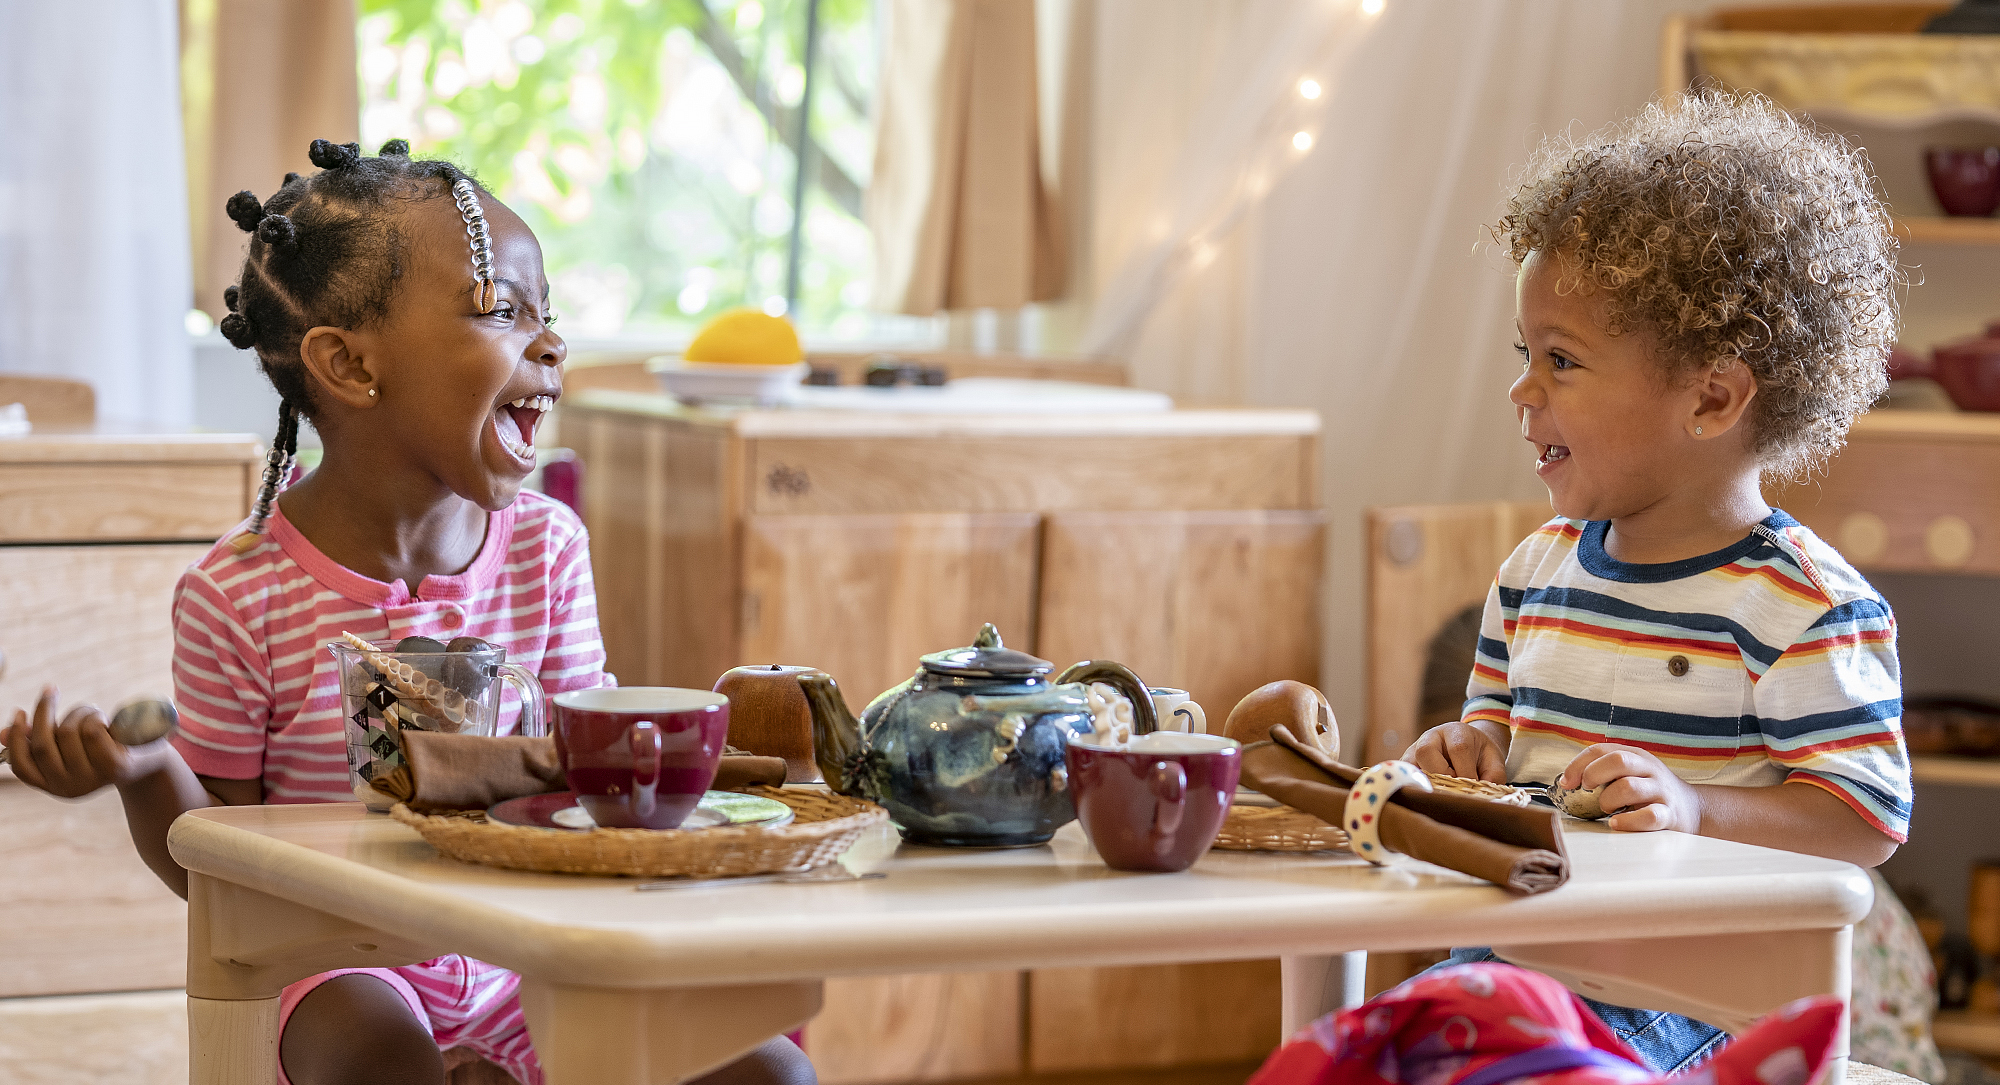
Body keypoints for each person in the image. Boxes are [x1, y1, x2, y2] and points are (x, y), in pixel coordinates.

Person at [1, 140, 815, 1085]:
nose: (550, 344)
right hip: (333, 961)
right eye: (503, 312)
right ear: (349, 363)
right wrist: (144, 773)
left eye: (548, 314)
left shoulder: (546, 549)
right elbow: (214, 870)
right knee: (379, 1054)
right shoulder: (238, 591)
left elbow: (590, 782)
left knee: (769, 1072)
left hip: (525, 948)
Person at [1404, 92, 1913, 1073]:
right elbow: (1501, 755)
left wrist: (1693, 807)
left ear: (1711, 396)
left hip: (1702, 997)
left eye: (1560, 359)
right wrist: (1462, 753)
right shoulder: (1534, 571)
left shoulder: (1802, 602)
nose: (1521, 390)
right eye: (1525, 354)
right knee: (1366, 1047)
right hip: (1513, 955)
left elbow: (1862, 819)